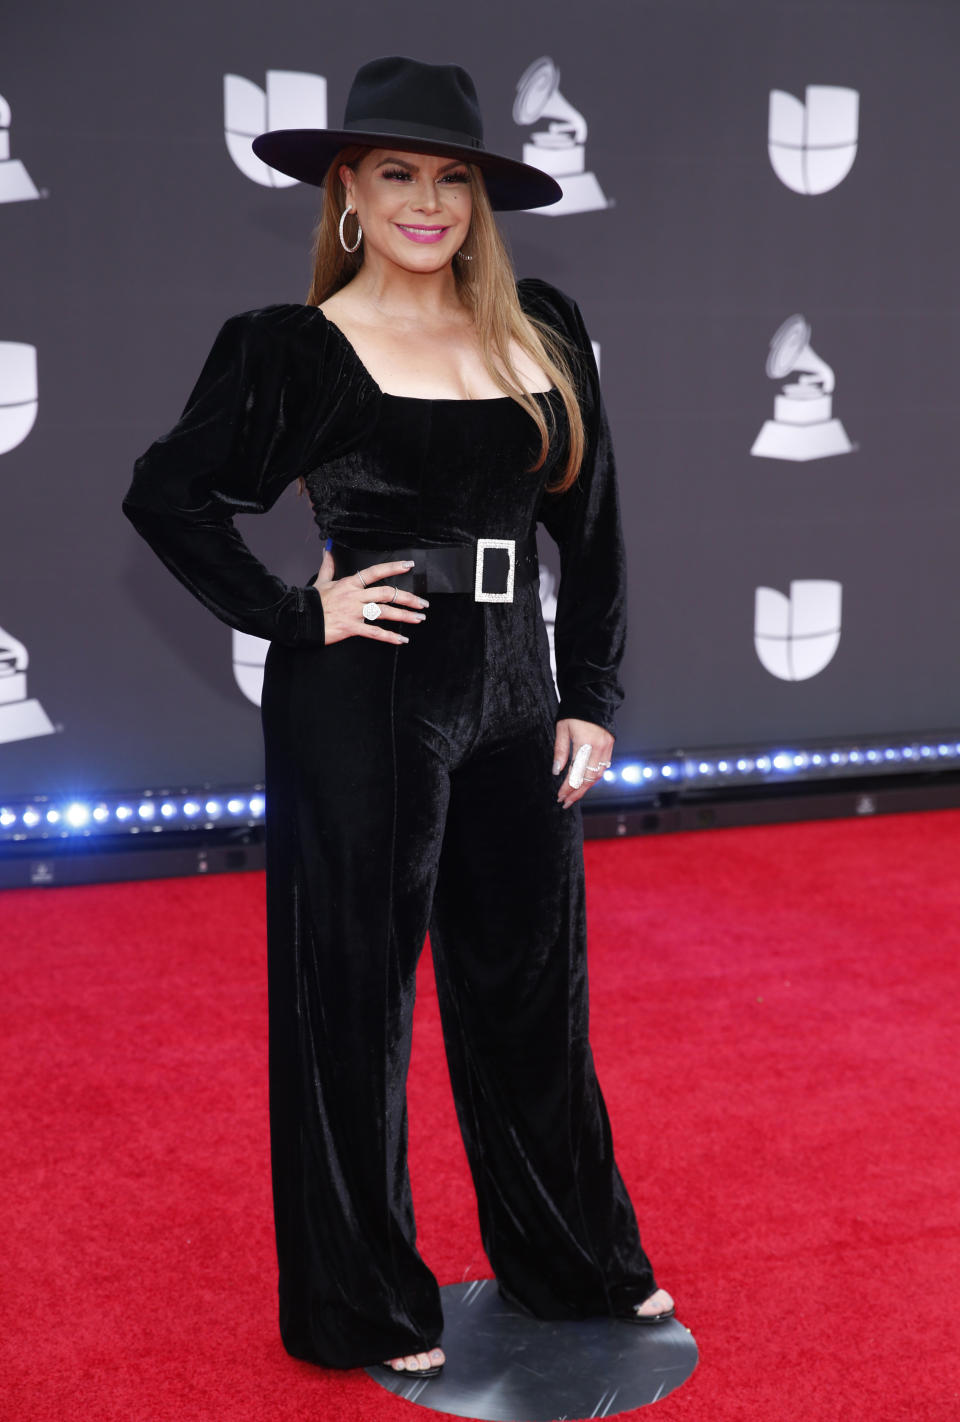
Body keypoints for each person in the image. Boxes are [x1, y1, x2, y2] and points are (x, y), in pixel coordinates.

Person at [123, 55, 675, 1380]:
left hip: (511, 691)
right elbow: (168, 492)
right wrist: (295, 612)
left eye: (452, 179)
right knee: (353, 1009)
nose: (428, 200)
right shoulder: (291, 348)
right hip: (366, 695)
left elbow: (589, 532)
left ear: (478, 199)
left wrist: (591, 693)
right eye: (397, 176)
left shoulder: (540, 322)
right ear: (348, 198)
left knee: (535, 992)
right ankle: (364, 1299)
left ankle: (575, 1256)